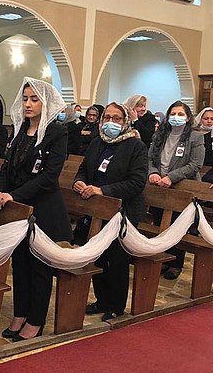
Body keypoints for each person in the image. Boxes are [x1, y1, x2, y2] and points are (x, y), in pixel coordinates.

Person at [0, 77, 72, 342]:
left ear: (46, 102)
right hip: (18, 210)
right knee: (20, 264)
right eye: (25, 99)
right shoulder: (21, 129)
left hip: (44, 211)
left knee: (39, 268)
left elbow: (48, 178)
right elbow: (7, 167)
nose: (28, 104)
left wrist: (13, 195)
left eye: (34, 99)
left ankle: (35, 320)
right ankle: (20, 314)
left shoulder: (57, 133)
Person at [73, 102, 147, 320]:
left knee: (116, 258)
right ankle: (102, 300)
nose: (111, 123)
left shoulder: (135, 146)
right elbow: (83, 170)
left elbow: (136, 183)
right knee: (99, 255)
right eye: (107, 118)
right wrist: (79, 182)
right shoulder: (97, 143)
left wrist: (102, 190)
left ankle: (115, 305)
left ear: (126, 122)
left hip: (123, 211)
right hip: (97, 209)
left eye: (117, 119)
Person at [148, 100, 205, 280]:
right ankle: (163, 257)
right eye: (173, 114)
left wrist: (171, 177)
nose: (176, 117)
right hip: (158, 184)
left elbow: (196, 164)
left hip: (181, 185)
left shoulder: (195, 137)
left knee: (177, 225)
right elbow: (150, 157)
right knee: (159, 222)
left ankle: (176, 263)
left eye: (180, 114)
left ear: (188, 118)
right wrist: (153, 172)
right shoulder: (161, 134)